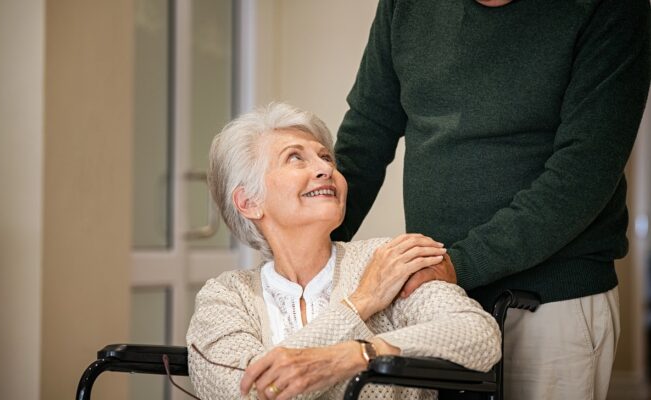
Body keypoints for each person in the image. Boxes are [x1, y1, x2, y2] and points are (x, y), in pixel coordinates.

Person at [330, 0, 650, 399]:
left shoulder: (611, 8)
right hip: (439, 300)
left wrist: (457, 265)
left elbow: (583, 173)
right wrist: (316, 248)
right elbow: (366, 135)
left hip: (552, 303)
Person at [186, 103, 501, 400]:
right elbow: (248, 393)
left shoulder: (386, 260)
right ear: (249, 202)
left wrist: (361, 353)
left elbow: (480, 337)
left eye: (326, 157)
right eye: (295, 158)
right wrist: (360, 303)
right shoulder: (226, 296)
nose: (324, 168)